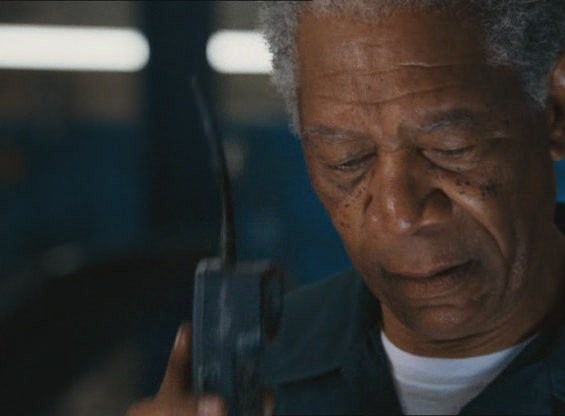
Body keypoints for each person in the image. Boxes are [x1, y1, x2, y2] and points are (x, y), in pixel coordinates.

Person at [127, 1, 565, 414]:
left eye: (450, 147)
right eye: (347, 160)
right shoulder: (259, 372)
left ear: (555, 112)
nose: (398, 212)